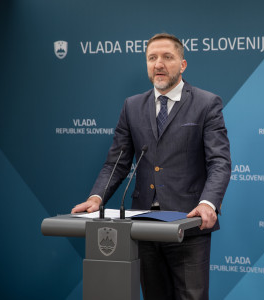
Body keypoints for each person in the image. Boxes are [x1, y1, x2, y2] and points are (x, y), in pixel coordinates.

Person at [71, 33, 231, 300]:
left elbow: (219, 162)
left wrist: (208, 203)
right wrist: (96, 197)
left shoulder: (206, 103)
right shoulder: (132, 106)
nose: (159, 64)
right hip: (142, 226)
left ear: (182, 64)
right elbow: (117, 161)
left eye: (167, 57)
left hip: (187, 224)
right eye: (152, 58)